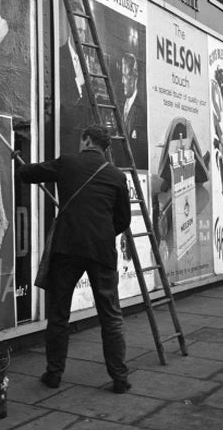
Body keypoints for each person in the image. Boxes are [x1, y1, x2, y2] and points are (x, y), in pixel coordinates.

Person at [17, 124, 132, 393]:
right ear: (105, 147)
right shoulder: (116, 176)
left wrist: (18, 163)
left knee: (58, 315)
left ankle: (54, 374)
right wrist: (101, 232)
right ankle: (119, 378)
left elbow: (30, 173)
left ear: (87, 139)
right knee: (111, 316)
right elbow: (123, 220)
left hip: (67, 249)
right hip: (101, 251)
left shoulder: (68, 162)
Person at [121, 53, 148, 169]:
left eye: (125, 76)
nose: (122, 81)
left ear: (134, 78)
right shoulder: (122, 103)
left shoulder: (141, 109)